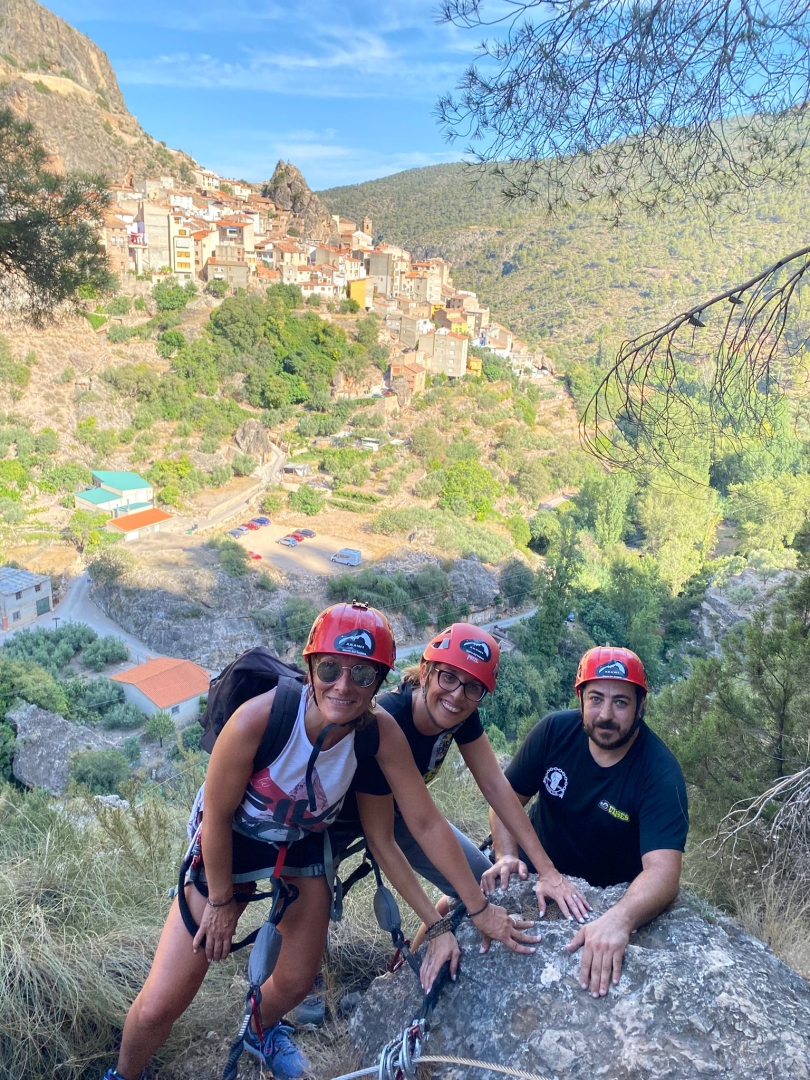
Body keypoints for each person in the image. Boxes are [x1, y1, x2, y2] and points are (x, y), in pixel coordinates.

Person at [101, 603, 536, 1080]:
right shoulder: (257, 721)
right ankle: (123, 1074)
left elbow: (423, 823)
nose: (344, 685)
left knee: (294, 981)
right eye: (330, 668)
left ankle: (259, 1031)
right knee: (161, 1004)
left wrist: (477, 910)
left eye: (363, 674)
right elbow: (218, 818)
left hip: (302, 844)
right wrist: (223, 902)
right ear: (310, 667)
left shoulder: (378, 733)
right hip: (232, 843)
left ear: (380, 681)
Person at [291, 623, 580, 1028]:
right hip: (327, 826)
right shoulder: (387, 722)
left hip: (399, 816)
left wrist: (547, 871)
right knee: (306, 933)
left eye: (472, 687)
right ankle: (305, 992)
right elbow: (384, 841)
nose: (457, 694)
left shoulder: (460, 716)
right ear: (426, 672)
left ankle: (413, 955)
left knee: (482, 881)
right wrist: (438, 921)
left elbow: (497, 787)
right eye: (448, 677)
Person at [483, 645, 689, 1000]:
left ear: (641, 705)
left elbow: (664, 873)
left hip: (597, 896)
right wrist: (505, 855)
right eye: (596, 699)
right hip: (532, 869)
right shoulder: (554, 732)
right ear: (580, 698)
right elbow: (506, 800)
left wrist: (620, 919)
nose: (606, 714)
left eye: (621, 702)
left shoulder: (659, 772)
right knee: (446, 906)